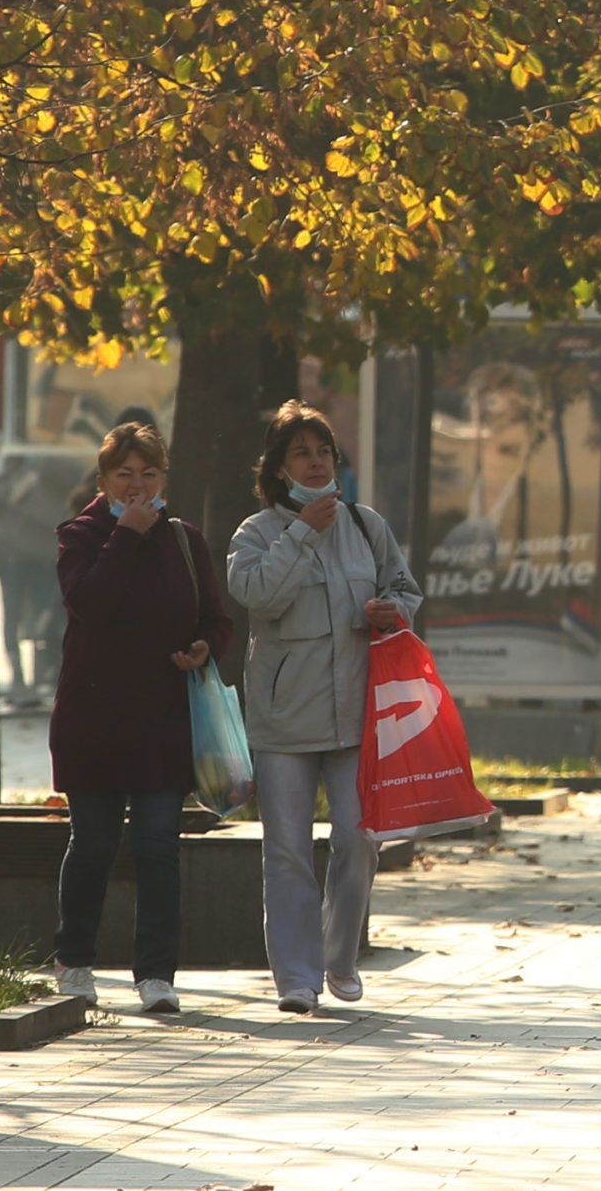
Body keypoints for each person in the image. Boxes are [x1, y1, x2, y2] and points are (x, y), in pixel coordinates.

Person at [226, 401, 423, 1015]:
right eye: (301, 454)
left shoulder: (366, 525)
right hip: (285, 718)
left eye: (323, 453)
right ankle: (297, 978)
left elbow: (404, 587)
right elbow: (258, 595)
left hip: (356, 710)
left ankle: (340, 958)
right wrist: (304, 530)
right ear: (278, 468)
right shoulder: (256, 533)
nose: (315, 464)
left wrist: (392, 610)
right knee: (285, 848)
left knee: (357, 836)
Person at [49, 422, 235, 1013]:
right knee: (95, 843)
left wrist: (205, 646)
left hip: (162, 719)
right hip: (95, 719)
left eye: (148, 474)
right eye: (124, 475)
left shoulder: (184, 540)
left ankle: (156, 974)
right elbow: (91, 604)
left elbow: (216, 616)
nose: (137, 486)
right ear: (103, 482)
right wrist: (125, 535)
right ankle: (74, 960)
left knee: (158, 845)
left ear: (163, 478)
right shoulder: (80, 537)